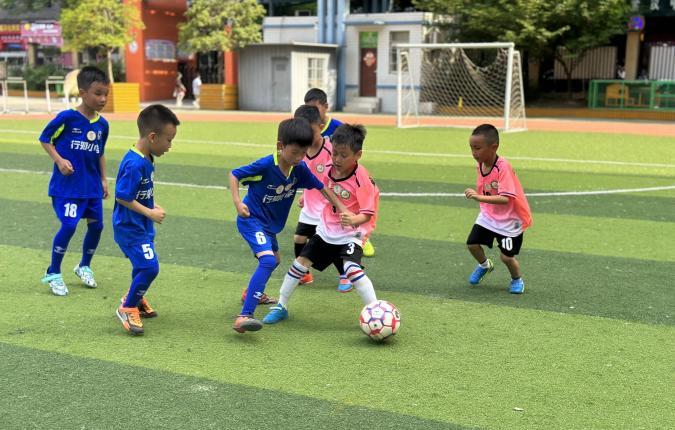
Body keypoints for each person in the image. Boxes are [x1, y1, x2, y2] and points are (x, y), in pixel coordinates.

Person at [229, 117, 347, 333]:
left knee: (274, 260)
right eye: (295, 152)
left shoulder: (299, 169)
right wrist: (238, 203)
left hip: (270, 226)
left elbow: (322, 187)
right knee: (267, 260)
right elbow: (235, 174)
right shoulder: (266, 165)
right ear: (280, 146)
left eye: (303, 153)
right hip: (251, 220)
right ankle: (244, 316)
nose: (300, 158)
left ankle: (251, 293)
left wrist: (341, 208)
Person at [263, 124, 379, 325]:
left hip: (351, 235)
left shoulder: (362, 179)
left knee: (352, 269)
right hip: (326, 230)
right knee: (299, 264)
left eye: (343, 155)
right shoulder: (328, 168)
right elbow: (322, 188)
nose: (337, 159)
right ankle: (281, 306)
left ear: (358, 155)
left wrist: (354, 219)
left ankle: (375, 310)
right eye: (334, 153)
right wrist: (307, 198)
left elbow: (368, 214)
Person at [39, 65, 110, 296]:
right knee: (69, 225)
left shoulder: (102, 125)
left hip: (91, 187)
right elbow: (45, 138)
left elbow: (100, 152)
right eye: (98, 93)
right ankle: (53, 272)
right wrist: (59, 160)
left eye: (105, 94)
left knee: (97, 226)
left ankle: (84, 266)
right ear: (82, 92)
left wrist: (104, 179)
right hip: (67, 188)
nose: (103, 99)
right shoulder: (67, 118)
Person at [113, 104, 180, 335]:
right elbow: (122, 196)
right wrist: (150, 212)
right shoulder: (134, 163)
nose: (170, 146)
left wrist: (151, 205)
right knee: (150, 267)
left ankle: (136, 297)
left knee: (142, 265)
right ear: (153, 137)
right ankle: (127, 307)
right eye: (169, 140)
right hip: (129, 227)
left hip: (142, 224)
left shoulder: (147, 157)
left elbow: (139, 191)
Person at [304, 87, 377, 258]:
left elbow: (351, 153)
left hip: (344, 179)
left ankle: (360, 236)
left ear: (325, 107)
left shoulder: (338, 128)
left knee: (350, 205)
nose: (312, 112)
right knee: (328, 209)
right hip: (327, 178)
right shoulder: (307, 129)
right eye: (308, 108)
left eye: (315, 108)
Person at [464, 124, 532, 294]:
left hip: (510, 220)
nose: (474, 153)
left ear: (494, 147)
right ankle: (484, 265)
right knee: (472, 244)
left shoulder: (503, 167)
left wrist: (479, 197)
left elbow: (505, 198)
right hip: (489, 215)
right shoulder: (481, 164)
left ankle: (516, 279)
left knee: (506, 257)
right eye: (471, 148)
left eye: (477, 148)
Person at [292, 105, 352, 292]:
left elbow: (339, 174)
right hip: (310, 206)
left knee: (329, 242)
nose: (307, 135)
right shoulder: (301, 150)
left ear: (321, 127)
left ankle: (344, 274)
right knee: (299, 237)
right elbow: (306, 175)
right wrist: (304, 194)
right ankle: (304, 273)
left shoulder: (330, 149)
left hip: (327, 205)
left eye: (311, 130)